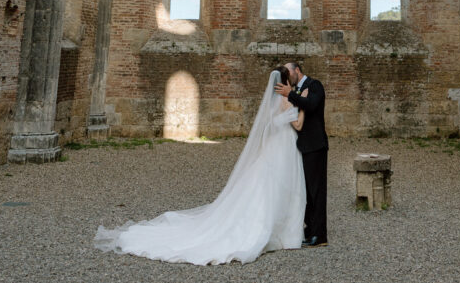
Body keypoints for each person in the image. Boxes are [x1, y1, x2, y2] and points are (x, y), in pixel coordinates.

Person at [94, 67, 305, 265]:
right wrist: (301, 107)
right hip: (284, 145)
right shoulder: (287, 101)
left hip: (273, 147)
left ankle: (272, 227)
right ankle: (281, 231)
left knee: (265, 184)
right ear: (286, 81)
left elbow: (270, 126)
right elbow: (297, 124)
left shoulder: (271, 103)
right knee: (281, 184)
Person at [275, 60, 328, 247]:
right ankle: (310, 229)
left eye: (290, 74)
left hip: (315, 145)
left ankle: (320, 236)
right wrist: (292, 95)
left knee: (317, 192)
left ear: (297, 70)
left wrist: (290, 95)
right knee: (305, 192)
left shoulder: (315, 85)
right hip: (302, 146)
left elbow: (311, 105)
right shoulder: (296, 91)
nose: (289, 78)